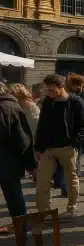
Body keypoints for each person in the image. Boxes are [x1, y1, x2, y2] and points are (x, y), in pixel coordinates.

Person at [35, 74, 84, 219]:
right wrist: (38, 147)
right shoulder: (47, 102)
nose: (49, 93)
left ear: (61, 87)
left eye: (52, 90)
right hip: (48, 148)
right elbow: (41, 124)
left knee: (71, 180)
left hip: (67, 147)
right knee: (42, 183)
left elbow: (83, 126)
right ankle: (44, 212)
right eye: (47, 90)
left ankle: (71, 207)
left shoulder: (76, 102)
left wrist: (75, 143)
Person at [0, 83, 34, 233]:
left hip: (7, 160)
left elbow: (23, 139)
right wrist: (30, 163)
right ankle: (23, 229)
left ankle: (23, 228)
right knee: (14, 196)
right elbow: (24, 139)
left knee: (14, 195)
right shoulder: (13, 107)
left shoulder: (10, 107)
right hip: (9, 162)